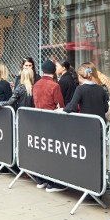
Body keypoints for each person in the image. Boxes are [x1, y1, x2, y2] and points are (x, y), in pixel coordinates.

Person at [32, 60, 66, 192]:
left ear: (42, 71)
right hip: (52, 122)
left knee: (42, 150)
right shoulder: (54, 86)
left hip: (39, 121)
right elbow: (60, 105)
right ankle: (53, 182)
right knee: (53, 151)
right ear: (53, 72)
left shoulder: (36, 84)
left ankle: (41, 179)